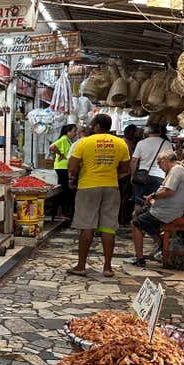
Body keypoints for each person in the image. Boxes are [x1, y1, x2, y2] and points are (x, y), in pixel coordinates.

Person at [67, 114, 131, 277]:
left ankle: (81, 266)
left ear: (96, 126)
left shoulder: (84, 142)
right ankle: (108, 267)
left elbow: (72, 167)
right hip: (111, 187)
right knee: (108, 227)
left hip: (88, 186)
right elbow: (125, 169)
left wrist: (73, 178)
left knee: (87, 227)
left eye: (91, 124)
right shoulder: (120, 143)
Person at [129, 151, 184, 267]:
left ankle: (141, 257)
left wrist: (153, 196)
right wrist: (153, 199)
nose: (159, 167)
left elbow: (169, 191)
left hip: (166, 212)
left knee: (135, 223)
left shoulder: (176, 170)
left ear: (165, 160)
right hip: (163, 208)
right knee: (136, 214)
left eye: (159, 163)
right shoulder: (175, 170)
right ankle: (159, 242)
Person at [130, 124, 170, 211]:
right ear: (159, 132)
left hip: (142, 178)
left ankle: (136, 222)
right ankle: (150, 222)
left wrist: (132, 176)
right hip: (160, 176)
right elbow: (170, 161)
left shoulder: (141, 143)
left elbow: (134, 161)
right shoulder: (166, 143)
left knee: (139, 203)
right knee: (155, 203)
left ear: (148, 132)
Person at [49, 123, 78, 219]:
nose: (75, 133)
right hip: (62, 167)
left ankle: (61, 211)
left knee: (65, 190)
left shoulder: (69, 141)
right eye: (74, 131)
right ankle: (59, 211)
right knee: (64, 190)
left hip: (65, 167)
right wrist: (60, 154)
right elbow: (52, 147)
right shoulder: (64, 139)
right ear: (68, 132)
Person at [118, 125, 137, 225]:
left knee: (124, 198)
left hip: (125, 173)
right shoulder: (124, 143)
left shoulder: (128, 142)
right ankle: (121, 218)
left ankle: (122, 217)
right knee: (123, 198)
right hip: (124, 174)